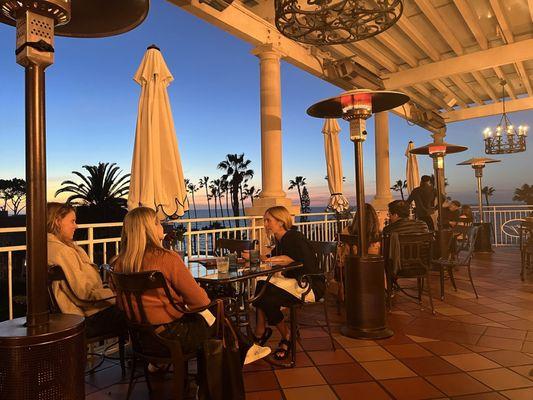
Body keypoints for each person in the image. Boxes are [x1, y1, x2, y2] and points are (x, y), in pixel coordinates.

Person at [112, 207, 269, 364]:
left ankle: (245, 348)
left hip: (141, 338)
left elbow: (121, 304)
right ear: (150, 228)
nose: (162, 226)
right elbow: (200, 302)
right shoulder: (166, 258)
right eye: (158, 223)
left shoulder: (119, 263)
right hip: (173, 337)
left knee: (211, 312)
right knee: (218, 310)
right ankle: (243, 351)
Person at [252, 206, 324, 361]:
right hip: (296, 282)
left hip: (309, 285)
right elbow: (271, 258)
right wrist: (254, 257)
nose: (265, 224)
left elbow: (296, 261)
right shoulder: (282, 239)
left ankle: (276, 334)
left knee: (263, 293)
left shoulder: (293, 237)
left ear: (280, 222)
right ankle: (266, 332)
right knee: (261, 287)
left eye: (268, 220)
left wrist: (271, 259)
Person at [47, 202, 124, 338]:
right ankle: (147, 352)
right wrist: (114, 294)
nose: (76, 226)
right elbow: (84, 294)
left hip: (64, 315)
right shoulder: (62, 252)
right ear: (58, 222)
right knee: (135, 309)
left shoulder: (46, 247)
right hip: (82, 318)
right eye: (72, 221)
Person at [382, 200, 429, 275]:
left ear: (396, 215)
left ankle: (390, 284)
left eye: (389, 214)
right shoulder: (423, 225)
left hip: (399, 268)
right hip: (422, 266)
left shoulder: (389, 229)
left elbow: (386, 252)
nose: (389, 217)